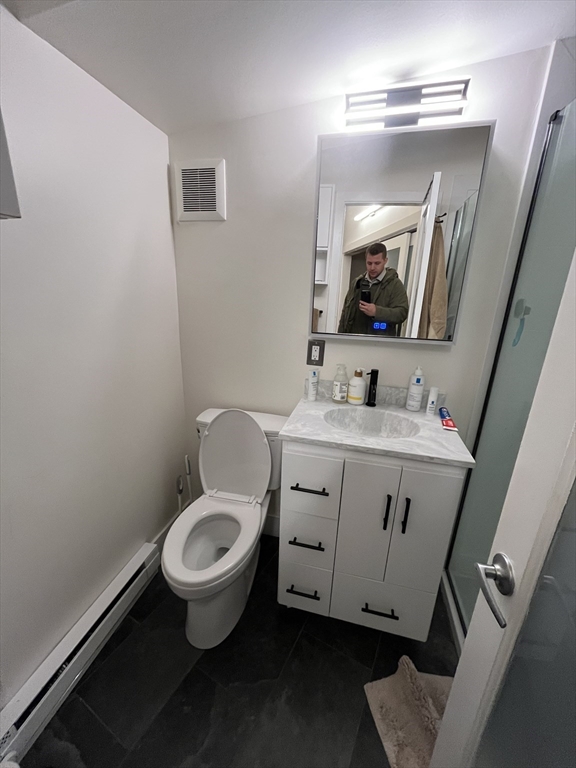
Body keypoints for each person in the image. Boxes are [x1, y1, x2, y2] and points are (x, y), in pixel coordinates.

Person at [338, 243, 409, 335]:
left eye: (377, 263)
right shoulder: (357, 283)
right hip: (355, 341)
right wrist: (340, 338)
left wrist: (377, 311)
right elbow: (345, 314)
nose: (372, 267)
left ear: (385, 261)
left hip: (380, 344)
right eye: (369, 263)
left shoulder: (395, 285)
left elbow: (402, 313)